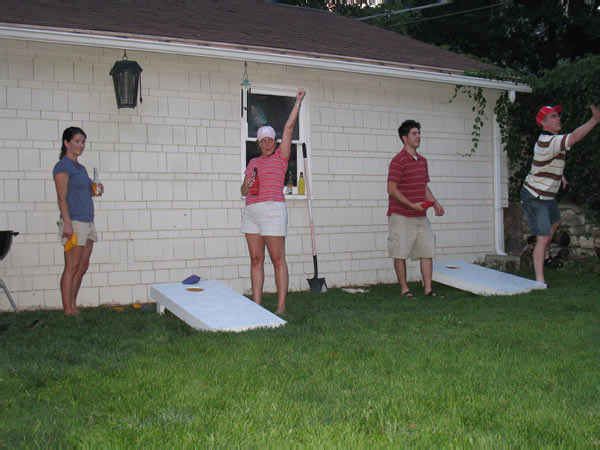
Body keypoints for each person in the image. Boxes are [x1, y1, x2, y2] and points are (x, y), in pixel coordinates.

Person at [240, 88, 306, 315]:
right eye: (263, 141)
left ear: (275, 142)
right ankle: (257, 305)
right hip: (251, 211)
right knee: (255, 258)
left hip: (273, 210)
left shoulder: (281, 157)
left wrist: (297, 102)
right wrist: (246, 186)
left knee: (277, 259)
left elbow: (289, 127)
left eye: (271, 140)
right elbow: (242, 190)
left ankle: (280, 307)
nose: (267, 144)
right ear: (258, 143)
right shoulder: (253, 162)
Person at [521, 103, 600, 285]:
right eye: (553, 116)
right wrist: (595, 119)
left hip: (547, 195)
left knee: (556, 222)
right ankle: (540, 281)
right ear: (544, 122)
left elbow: (549, 163)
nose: (558, 119)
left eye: (558, 115)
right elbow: (575, 136)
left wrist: (561, 178)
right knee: (543, 238)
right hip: (535, 196)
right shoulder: (548, 141)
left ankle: (545, 254)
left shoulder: (553, 142)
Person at [387, 120, 445, 298]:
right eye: (414, 133)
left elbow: (423, 188)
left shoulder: (422, 161)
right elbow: (391, 188)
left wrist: (435, 203)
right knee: (400, 252)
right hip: (401, 215)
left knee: (427, 250)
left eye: (418, 133)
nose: (418, 136)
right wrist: (411, 204)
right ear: (405, 138)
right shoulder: (398, 161)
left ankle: (428, 289)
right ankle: (405, 289)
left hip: (421, 215)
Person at [53, 127, 103, 315]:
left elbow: (88, 190)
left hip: (88, 221)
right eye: (77, 141)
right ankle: (68, 309)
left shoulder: (80, 168)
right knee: (72, 266)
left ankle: (73, 305)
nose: (80, 145)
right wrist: (67, 223)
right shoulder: (62, 166)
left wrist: (95, 189)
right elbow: (61, 197)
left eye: (83, 142)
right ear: (66, 143)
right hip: (74, 222)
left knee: (82, 266)